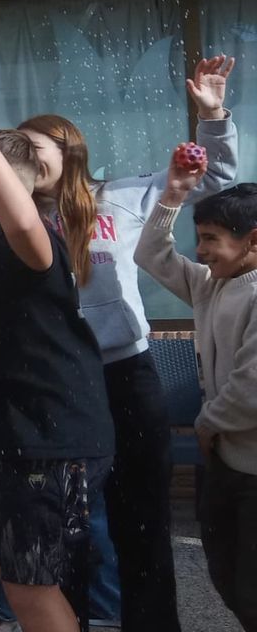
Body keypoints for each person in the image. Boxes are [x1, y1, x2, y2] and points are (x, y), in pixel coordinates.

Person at [16, 54, 237, 632]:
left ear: (68, 150)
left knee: (143, 525)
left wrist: (212, 118)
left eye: (33, 147)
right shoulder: (15, 222)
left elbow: (211, 183)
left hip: (127, 377)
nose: (25, 158)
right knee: (70, 533)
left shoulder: (123, 195)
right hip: (61, 388)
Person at [0, 57, 114, 632]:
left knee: (28, 583)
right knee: (32, 579)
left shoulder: (29, 241)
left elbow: (25, 227)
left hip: (49, 439)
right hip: (22, 439)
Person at [134, 156, 257, 630]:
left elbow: (250, 384)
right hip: (225, 462)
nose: (200, 250)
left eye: (211, 239)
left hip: (247, 466)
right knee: (226, 575)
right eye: (199, 237)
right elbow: (151, 255)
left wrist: (207, 422)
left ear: (252, 240)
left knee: (250, 586)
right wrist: (173, 197)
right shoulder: (212, 285)